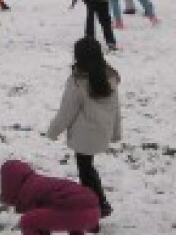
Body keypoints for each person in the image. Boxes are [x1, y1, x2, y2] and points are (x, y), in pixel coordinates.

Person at [45, 37, 122, 221]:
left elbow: (67, 111)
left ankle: (97, 205)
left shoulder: (78, 81)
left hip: (84, 136)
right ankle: (97, 204)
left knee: (86, 171)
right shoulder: (109, 76)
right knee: (88, 168)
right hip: (101, 132)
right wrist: (116, 132)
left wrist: (53, 131)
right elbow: (115, 107)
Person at [0, 159, 101, 235]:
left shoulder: (29, 189)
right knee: (67, 210)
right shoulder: (38, 181)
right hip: (94, 210)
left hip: (79, 211)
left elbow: (34, 219)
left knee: (27, 221)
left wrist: (8, 197)